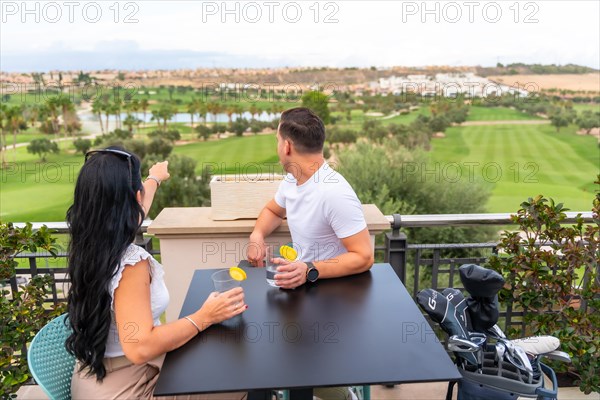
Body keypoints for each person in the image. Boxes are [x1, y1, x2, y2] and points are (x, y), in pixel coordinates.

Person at [66, 146, 247, 399]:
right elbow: (140, 348)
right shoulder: (130, 264)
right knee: (236, 383)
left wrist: (154, 178)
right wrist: (205, 316)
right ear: (135, 198)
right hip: (126, 387)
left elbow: (133, 208)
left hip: (95, 377)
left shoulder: (92, 241)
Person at [247, 108, 374, 400]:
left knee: (290, 363)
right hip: (300, 287)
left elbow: (364, 256)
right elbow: (271, 210)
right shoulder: (292, 180)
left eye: (277, 140)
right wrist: (257, 234)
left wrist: (310, 269)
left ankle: (341, 395)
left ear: (287, 146)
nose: (278, 147)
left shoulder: (334, 193)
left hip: (333, 298)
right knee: (260, 357)